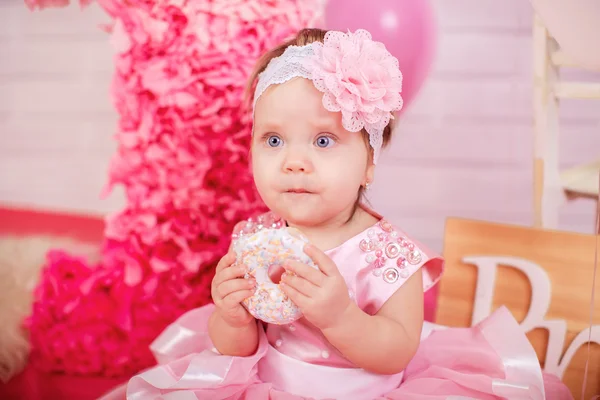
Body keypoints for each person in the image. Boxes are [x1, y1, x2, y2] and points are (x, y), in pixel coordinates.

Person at [101, 28, 573, 400]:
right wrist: (232, 318)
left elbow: (396, 351)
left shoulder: (388, 253)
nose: (294, 161)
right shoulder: (256, 236)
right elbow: (238, 352)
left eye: (323, 141)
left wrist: (340, 316)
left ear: (369, 163)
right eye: (273, 140)